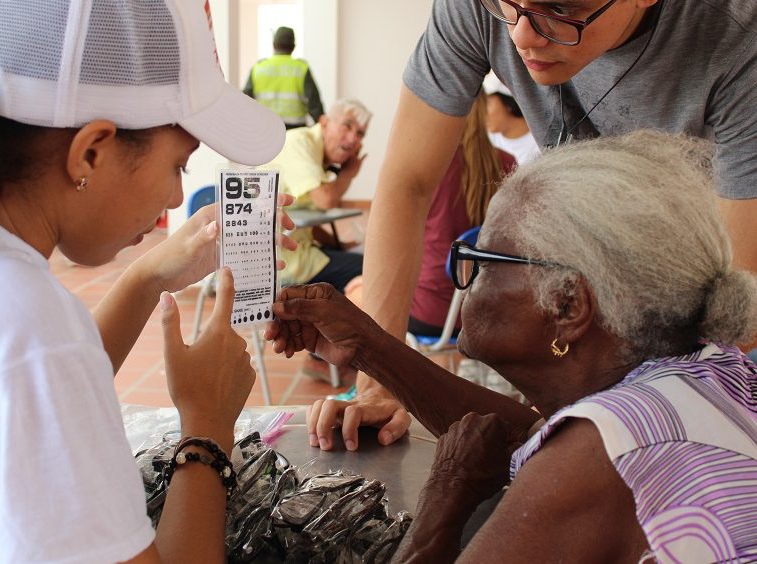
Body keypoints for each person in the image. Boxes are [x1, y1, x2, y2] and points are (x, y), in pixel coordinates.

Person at [0, 3, 298, 563]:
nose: (172, 198)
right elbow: (32, 362)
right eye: (178, 167)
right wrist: (206, 426)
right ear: (91, 150)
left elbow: (23, 386)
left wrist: (149, 275)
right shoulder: (19, 323)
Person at [266, 131, 757, 561]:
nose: (468, 276)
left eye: (485, 257)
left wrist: (447, 496)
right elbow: (528, 436)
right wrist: (367, 345)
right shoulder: (709, 369)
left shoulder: (601, 459)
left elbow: (563, 461)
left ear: (568, 305)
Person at [318, 0, 757, 449]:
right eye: (506, 3)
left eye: (561, 8)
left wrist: (621, 425)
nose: (521, 37)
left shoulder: (738, 37)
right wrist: (379, 378)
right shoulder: (479, 8)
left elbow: (733, 310)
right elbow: (407, 183)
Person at [409, 94, 516, 338]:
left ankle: (329, 370)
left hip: (430, 311)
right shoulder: (507, 162)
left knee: (353, 293)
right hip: (484, 311)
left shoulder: (431, 163)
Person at [272, 98, 371, 294]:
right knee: (370, 269)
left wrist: (341, 246)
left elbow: (305, 222)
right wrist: (348, 174)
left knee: (357, 258)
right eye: (347, 126)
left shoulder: (318, 160)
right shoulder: (299, 144)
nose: (353, 139)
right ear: (324, 123)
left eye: (360, 133)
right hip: (281, 262)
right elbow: (325, 200)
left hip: (298, 250)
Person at [243, 26, 324, 129]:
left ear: (274, 44)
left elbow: (244, 100)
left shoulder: (258, 68)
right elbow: (314, 104)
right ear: (293, 46)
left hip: (264, 129)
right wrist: (322, 127)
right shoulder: (301, 68)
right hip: (294, 131)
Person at [482, 75, 540, 165]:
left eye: (486, 103)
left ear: (508, 102)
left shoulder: (543, 142)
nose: (481, 113)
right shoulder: (484, 141)